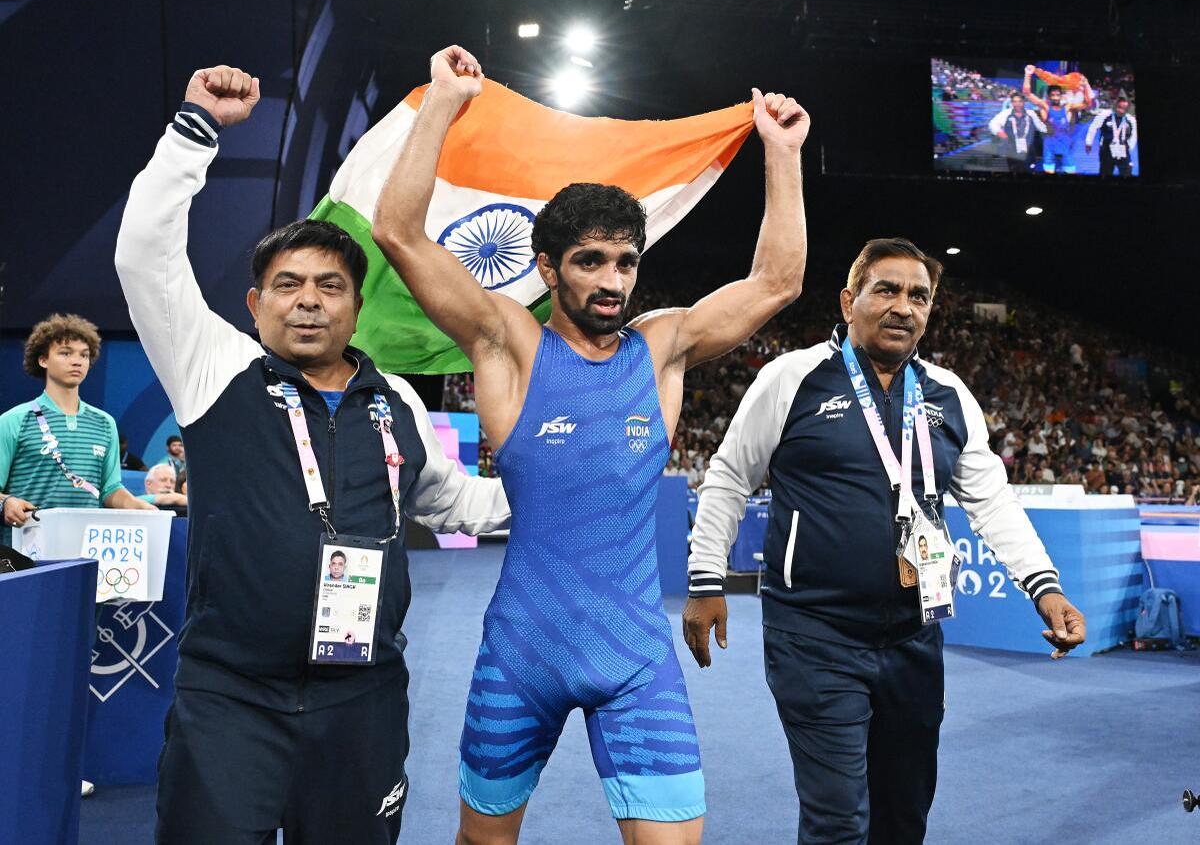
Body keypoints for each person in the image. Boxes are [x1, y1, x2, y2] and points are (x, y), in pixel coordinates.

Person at [371, 44, 808, 845]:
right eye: (590, 262)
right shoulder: (509, 344)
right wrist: (441, 103)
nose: (612, 281)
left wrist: (782, 154)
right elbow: (398, 232)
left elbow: (775, 283)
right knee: (482, 843)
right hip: (522, 650)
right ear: (547, 267)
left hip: (637, 653)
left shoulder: (663, 347)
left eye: (626, 262)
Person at [114, 64, 511, 844]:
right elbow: (143, 258)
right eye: (287, 284)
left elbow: (450, 502)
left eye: (330, 286)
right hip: (233, 698)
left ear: (356, 307)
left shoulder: (393, 398)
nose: (308, 298)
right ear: (256, 305)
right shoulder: (213, 370)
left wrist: (559, 489)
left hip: (362, 699)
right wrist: (195, 128)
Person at [682, 238, 1086, 843]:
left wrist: (1044, 586)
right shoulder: (793, 377)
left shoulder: (949, 394)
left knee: (904, 817)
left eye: (919, 296)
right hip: (814, 634)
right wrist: (706, 578)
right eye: (887, 290)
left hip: (913, 639)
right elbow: (731, 476)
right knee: (838, 820)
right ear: (849, 302)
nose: (904, 307)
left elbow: (992, 500)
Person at [1, 314, 155, 547]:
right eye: (65, 353)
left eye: (84, 355)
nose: (77, 361)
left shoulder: (105, 423)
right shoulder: (14, 420)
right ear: (43, 360)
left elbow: (109, 489)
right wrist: (6, 503)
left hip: (85, 553)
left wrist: (139, 506)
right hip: (24, 555)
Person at [1023, 65, 1092, 173]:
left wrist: (1085, 85)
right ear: (1049, 96)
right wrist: (1027, 74)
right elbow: (1027, 93)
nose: (1055, 97)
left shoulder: (1068, 107)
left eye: (1057, 95)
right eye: (1053, 95)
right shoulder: (1045, 106)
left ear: (1061, 96)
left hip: (1066, 145)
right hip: (1049, 146)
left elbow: (1088, 103)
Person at [987, 91, 1046, 173]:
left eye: (1019, 101)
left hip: (1028, 150)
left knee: (1030, 172)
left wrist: (1053, 130)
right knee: (1014, 172)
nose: (1017, 104)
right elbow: (992, 124)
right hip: (1012, 150)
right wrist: (1000, 133)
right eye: (1014, 101)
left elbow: (1041, 127)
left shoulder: (1031, 114)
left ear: (1024, 102)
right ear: (1011, 103)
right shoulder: (1005, 113)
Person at [1085, 97, 1137, 177]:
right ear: (1115, 106)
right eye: (1119, 107)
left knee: (1127, 173)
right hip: (1106, 149)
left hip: (1123, 150)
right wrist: (1088, 142)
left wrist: (1129, 148)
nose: (1121, 110)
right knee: (1105, 174)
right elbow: (1093, 127)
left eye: (1124, 108)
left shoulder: (1131, 119)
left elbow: (1134, 135)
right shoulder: (1104, 115)